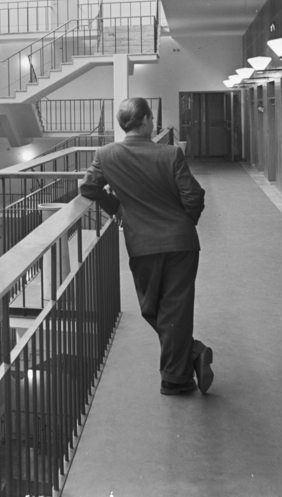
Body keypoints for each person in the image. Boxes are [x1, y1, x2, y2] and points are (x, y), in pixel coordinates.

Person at [78, 97, 212, 395]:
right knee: (176, 307)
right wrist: (184, 222)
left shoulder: (106, 155)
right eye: (151, 118)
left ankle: (176, 378)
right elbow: (194, 196)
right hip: (181, 243)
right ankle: (190, 355)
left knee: (151, 307)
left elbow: (88, 188)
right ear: (146, 120)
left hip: (141, 244)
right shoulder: (171, 154)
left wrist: (117, 208)